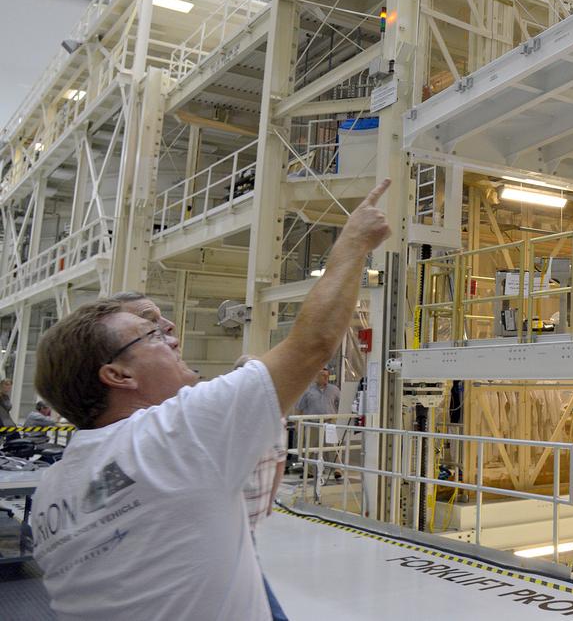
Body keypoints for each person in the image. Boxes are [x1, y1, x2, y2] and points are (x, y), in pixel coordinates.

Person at [29, 179, 391, 621]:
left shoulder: (51, 491)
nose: (172, 337)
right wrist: (355, 240)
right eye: (153, 334)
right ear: (117, 374)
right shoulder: (173, 435)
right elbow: (313, 343)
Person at [235, 354, 289, 621]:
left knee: (250, 573)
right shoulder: (276, 416)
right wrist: (269, 500)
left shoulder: (233, 418)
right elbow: (281, 460)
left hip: (240, 510)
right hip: (251, 509)